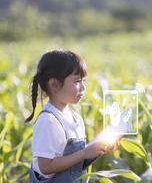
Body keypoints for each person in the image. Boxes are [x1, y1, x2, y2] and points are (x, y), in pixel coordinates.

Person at [25, 50, 117, 182]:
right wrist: (84, 153)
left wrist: (97, 150)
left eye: (83, 81)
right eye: (77, 81)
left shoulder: (75, 118)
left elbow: (75, 164)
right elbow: (45, 166)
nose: (83, 88)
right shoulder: (48, 121)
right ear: (54, 84)